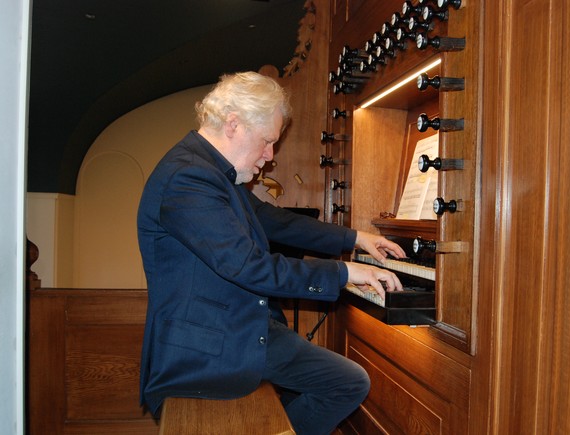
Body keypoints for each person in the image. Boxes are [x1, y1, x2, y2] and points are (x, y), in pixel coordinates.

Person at [137, 71, 406, 435]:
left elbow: (272, 220)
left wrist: (355, 238)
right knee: (347, 382)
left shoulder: (211, 171)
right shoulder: (190, 178)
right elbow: (249, 266)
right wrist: (344, 273)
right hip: (207, 349)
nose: (270, 155)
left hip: (236, 328)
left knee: (343, 380)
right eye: (267, 141)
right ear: (233, 124)